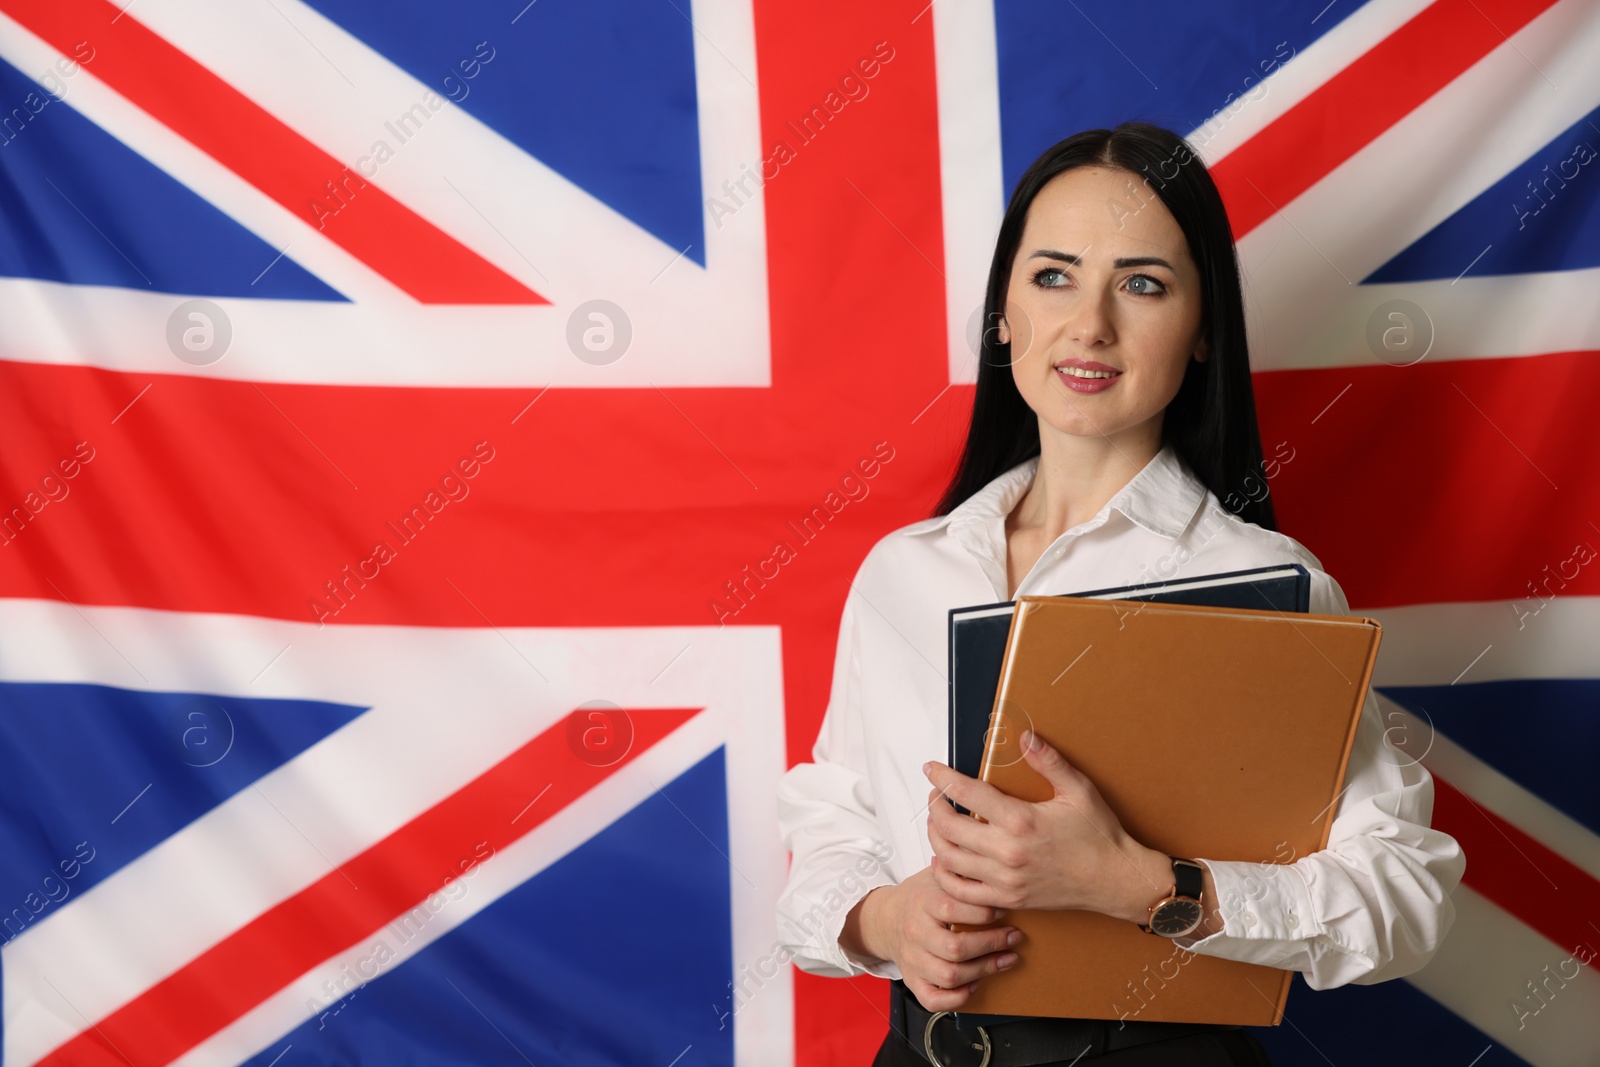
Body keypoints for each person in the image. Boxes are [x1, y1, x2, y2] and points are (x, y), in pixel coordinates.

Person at [773, 123, 1465, 1067]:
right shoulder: (906, 569)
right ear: (1005, 311)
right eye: (1053, 275)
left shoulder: (1272, 587)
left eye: (1143, 283)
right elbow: (834, 817)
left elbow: (1405, 897)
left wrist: (1147, 885)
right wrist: (886, 918)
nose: (1089, 324)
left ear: (1205, 326)